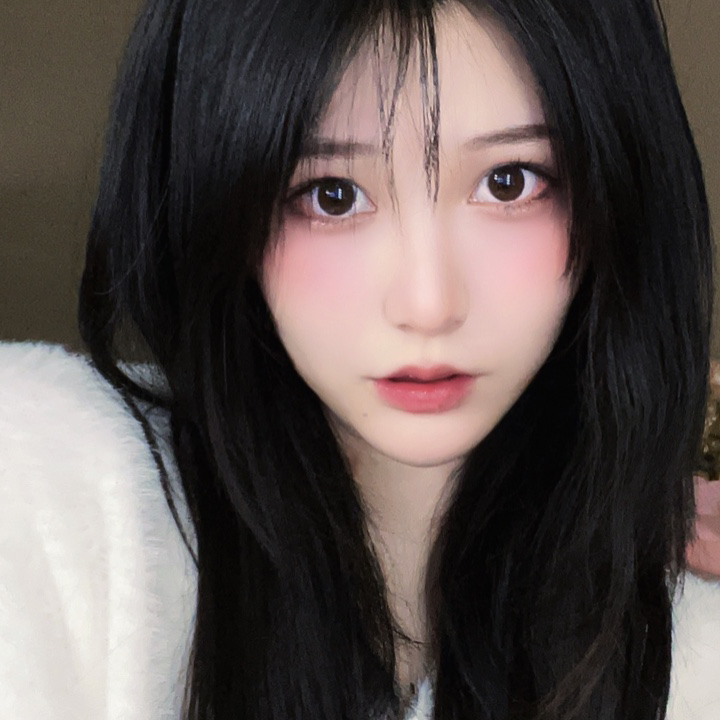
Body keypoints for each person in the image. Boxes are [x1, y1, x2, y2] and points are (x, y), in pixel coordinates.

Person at [1, 0, 719, 718]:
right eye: (332, 196)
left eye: (509, 181)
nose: (428, 304)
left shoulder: (690, 639)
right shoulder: (53, 499)